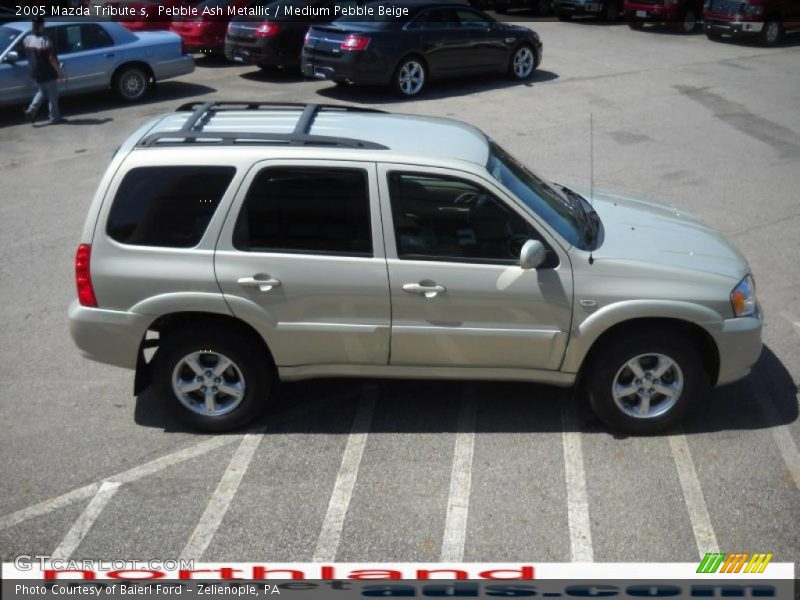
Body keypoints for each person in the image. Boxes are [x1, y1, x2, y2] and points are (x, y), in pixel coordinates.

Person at [23, 17, 66, 125]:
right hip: (49, 72)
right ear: (41, 25)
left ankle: (31, 110)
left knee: (42, 91)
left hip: (36, 72)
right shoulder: (45, 40)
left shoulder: (27, 39)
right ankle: (54, 118)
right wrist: (59, 71)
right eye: (43, 24)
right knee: (53, 96)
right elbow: (51, 59)